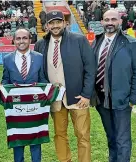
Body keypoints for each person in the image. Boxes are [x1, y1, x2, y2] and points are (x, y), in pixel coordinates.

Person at [34, 10, 96, 162]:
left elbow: (90, 68)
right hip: (55, 99)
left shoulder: (79, 40)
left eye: (58, 22)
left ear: (64, 23)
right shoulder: (40, 44)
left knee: (82, 135)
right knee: (59, 134)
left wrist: (87, 94)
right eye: (51, 23)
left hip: (78, 97)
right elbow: (39, 71)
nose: (55, 26)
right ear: (47, 25)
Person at [90, 9, 136, 162]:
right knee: (111, 138)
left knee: (122, 141)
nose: (110, 23)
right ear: (101, 22)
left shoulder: (130, 43)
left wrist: (133, 98)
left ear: (120, 21)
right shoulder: (97, 41)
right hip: (102, 101)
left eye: (113, 19)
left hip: (122, 100)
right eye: (107, 20)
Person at [1, 28, 48, 162]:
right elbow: (6, 79)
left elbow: (43, 80)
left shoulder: (39, 57)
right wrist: (3, 89)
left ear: (30, 39)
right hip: (16, 108)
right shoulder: (7, 59)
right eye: (18, 38)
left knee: (35, 140)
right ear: (14, 40)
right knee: (18, 140)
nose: (22, 41)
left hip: (35, 108)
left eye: (24, 38)